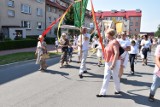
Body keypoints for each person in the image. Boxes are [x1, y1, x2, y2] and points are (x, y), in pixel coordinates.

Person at [97, 29, 121, 97]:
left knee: (115, 77)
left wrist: (113, 64)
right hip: (108, 61)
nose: (105, 35)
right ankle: (102, 92)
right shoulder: (109, 41)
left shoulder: (114, 42)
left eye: (106, 33)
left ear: (109, 34)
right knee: (106, 76)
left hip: (114, 61)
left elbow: (117, 53)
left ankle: (118, 89)